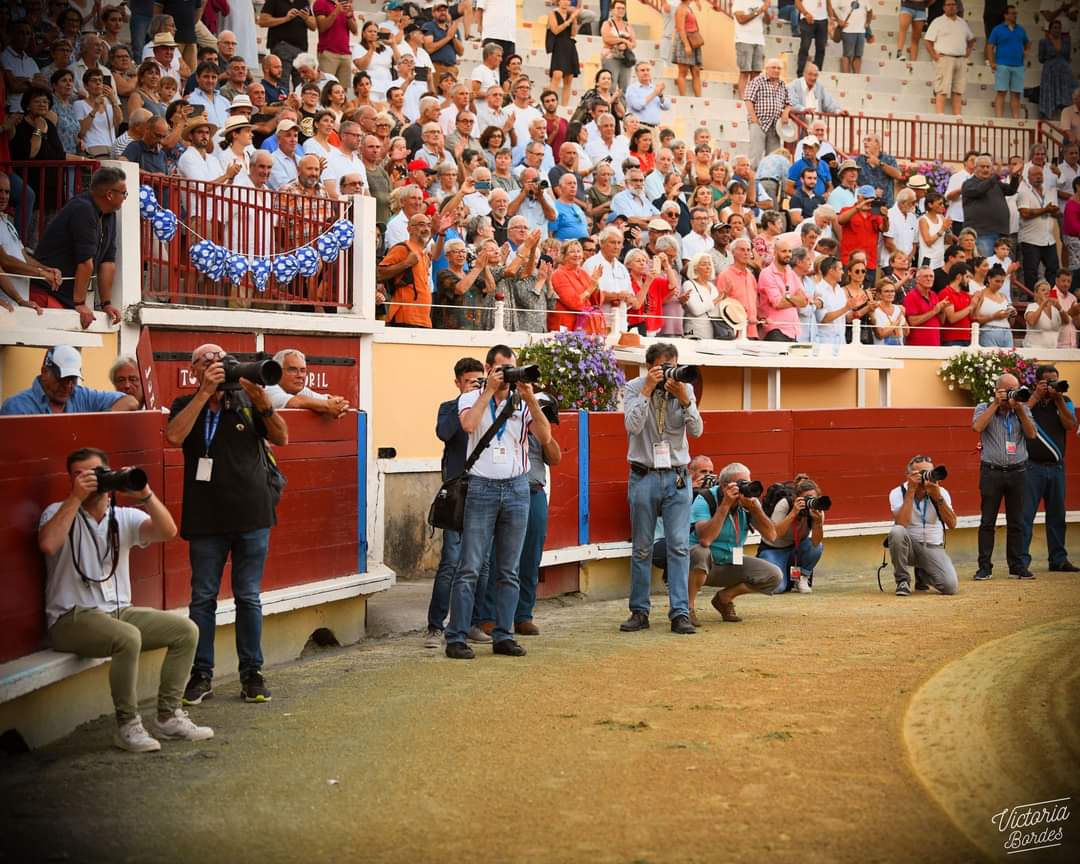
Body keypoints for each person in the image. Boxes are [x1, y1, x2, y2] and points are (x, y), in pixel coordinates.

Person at [39, 446, 212, 752]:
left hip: (118, 612)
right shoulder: (57, 511)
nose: (88, 480)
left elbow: (168, 531)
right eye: (79, 475)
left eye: (95, 473)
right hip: (71, 618)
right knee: (127, 637)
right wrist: (76, 498)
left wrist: (145, 494)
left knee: (186, 630)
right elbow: (49, 545)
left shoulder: (122, 517)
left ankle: (168, 717)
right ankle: (127, 725)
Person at [165, 344, 288, 705]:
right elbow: (174, 436)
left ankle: (252, 674)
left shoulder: (247, 402)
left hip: (252, 515)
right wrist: (205, 393)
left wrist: (262, 401)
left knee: (248, 597)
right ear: (193, 371)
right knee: (203, 598)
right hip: (206, 518)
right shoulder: (185, 404)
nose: (215, 366)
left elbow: (281, 437)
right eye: (205, 362)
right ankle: (201, 674)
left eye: (219, 360)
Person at [444, 345, 552, 659]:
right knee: (470, 567)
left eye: (512, 368)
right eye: (503, 368)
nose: (508, 375)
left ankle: (504, 635)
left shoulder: (522, 401)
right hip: (481, 488)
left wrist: (531, 399)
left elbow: (545, 437)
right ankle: (456, 637)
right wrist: (489, 390)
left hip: (517, 488)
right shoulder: (471, 397)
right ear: (489, 368)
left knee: (509, 569)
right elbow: (468, 425)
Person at [621, 343, 702, 635]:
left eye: (673, 366)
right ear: (649, 366)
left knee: (679, 546)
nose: (670, 372)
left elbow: (697, 431)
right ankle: (639, 611)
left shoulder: (684, 389)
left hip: (677, 475)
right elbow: (632, 426)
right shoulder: (633, 387)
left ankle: (680, 613)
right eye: (664, 367)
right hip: (643, 474)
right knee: (642, 547)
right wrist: (647, 389)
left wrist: (685, 400)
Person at [26, 167, 125, 328]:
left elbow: (107, 262)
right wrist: (79, 303)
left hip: (66, 298)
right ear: (109, 194)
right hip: (49, 292)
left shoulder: (110, 214)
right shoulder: (83, 208)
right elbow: (85, 262)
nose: (125, 198)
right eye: (124, 194)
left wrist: (106, 303)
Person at [690, 462, 782, 621]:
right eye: (741, 483)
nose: (746, 488)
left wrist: (755, 510)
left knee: (773, 575)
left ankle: (724, 598)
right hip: (700, 565)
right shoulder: (705, 499)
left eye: (748, 482)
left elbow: (771, 535)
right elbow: (705, 539)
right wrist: (725, 505)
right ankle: (687, 608)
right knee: (700, 552)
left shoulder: (749, 503)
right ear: (724, 486)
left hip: (731, 561)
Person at [972, 373, 1037, 581]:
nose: (1012, 394)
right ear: (997, 390)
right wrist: (995, 404)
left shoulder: (1023, 409)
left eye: (1015, 389)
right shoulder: (984, 407)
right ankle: (984, 567)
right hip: (992, 471)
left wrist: (1020, 409)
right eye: (1008, 390)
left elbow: (1032, 434)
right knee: (987, 521)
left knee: (1017, 521)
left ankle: (1017, 566)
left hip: (1018, 471)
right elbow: (977, 427)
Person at [1018, 366, 1077, 577]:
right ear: (1038, 382)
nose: (1053, 385)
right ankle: (1021, 562)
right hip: (1031, 466)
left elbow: (1070, 425)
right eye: (1048, 381)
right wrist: (1036, 396)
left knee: (1057, 516)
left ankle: (1058, 559)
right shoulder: (1028, 399)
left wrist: (1058, 400)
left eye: (1055, 380)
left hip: (1057, 467)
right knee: (1025, 516)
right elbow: (1019, 414)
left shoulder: (1065, 400)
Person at [888, 454, 959, 596]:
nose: (926, 476)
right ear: (909, 475)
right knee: (896, 532)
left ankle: (923, 573)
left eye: (929, 472)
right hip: (909, 547)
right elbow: (901, 524)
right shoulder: (898, 492)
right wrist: (911, 491)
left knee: (950, 587)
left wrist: (937, 496)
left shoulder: (941, 492)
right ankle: (903, 580)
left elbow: (952, 524)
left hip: (933, 546)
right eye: (921, 473)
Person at [1, 345, 138, 415]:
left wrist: (101, 424)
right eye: (62, 379)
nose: (68, 386)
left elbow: (130, 401)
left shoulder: (81, 395)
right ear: (44, 372)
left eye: (73, 379)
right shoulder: (16, 407)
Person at [757, 475, 826, 594]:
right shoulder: (785, 504)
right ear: (796, 498)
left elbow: (816, 542)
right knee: (777, 588)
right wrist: (793, 512)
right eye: (806, 498)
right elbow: (776, 534)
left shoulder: (817, 510)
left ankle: (802, 578)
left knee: (818, 547)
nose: (810, 502)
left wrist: (818, 523)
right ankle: (764, 568)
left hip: (796, 551)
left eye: (813, 498)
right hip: (774, 549)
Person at [924, 0, 976, 116]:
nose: (951, 7)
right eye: (949, 5)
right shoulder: (938, 21)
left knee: (958, 90)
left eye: (953, 5)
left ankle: (957, 117)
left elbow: (972, 39)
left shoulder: (962, 22)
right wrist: (934, 56)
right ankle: (940, 116)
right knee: (942, 89)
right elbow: (927, 41)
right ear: (944, 7)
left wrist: (968, 51)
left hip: (961, 59)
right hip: (944, 58)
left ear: (957, 7)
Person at [264, 349, 350, 418]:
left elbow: (326, 400)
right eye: (292, 370)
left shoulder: (299, 390)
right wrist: (327, 406)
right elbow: (295, 402)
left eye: (303, 370)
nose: (300, 375)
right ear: (277, 372)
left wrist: (340, 405)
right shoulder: (267, 387)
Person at [1017, 165, 1061, 291]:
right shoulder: (1024, 192)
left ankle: (1051, 295)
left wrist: (1054, 211)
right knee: (1031, 271)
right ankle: (1032, 297)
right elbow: (1025, 213)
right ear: (1028, 177)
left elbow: (1057, 213)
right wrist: (1046, 210)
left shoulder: (1049, 191)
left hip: (1049, 239)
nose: (1038, 177)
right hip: (1031, 239)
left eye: (1040, 174)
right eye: (1035, 175)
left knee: (1053, 268)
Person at [744, 58, 791, 166]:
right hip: (759, 122)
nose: (776, 70)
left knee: (773, 157)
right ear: (767, 69)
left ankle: (770, 176)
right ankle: (753, 175)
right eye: (773, 67)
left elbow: (788, 103)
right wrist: (754, 119)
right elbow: (748, 100)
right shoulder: (757, 81)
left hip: (775, 125)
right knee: (755, 154)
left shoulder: (783, 84)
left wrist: (786, 112)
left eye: (779, 68)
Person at [986, 5, 1029, 120]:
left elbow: (1027, 43)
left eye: (1016, 13)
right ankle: (999, 119)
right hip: (1002, 65)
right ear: (1006, 15)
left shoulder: (1021, 29)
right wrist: (992, 62)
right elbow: (990, 46)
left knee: (1016, 94)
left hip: (1018, 65)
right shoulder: (997, 29)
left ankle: (1016, 120)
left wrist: (1026, 52)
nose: (1015, 15)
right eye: (1012, 13)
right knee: (1001, 92)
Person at [733, 0, 769, 98]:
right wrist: (758, 11)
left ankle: (752, 98)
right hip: (744, 40)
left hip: (759, 40)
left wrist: (765, 10)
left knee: (757, 72)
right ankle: (742, 99)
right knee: (745, 71)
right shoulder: (739, 2)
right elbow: (741, 20)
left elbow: (767, 21)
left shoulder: (760, 2)